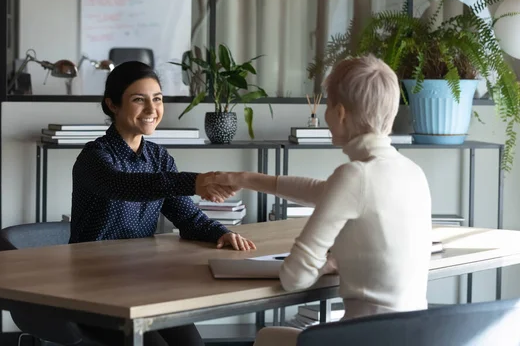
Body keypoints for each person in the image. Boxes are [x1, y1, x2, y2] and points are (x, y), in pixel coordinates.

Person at [206, 55, 432, 346]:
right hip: (413, 336)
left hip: (364, 338)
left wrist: (325, 265)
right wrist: (243, 178)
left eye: (326, 105)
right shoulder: (412, 172)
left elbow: (294, 278)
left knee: (267, 338)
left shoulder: (355, 175)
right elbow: (322, 191)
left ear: (340, 113)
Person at [70, 61, 256, 346]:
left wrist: (221, 233)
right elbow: (124, 186)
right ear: (113, 105)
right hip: (94, 288)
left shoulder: (158, 157)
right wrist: (194, 182)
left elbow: (188, 218)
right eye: (138, 99)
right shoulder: (94, 157)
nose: (151, 109)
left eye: (157, 99)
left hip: (142, 281)